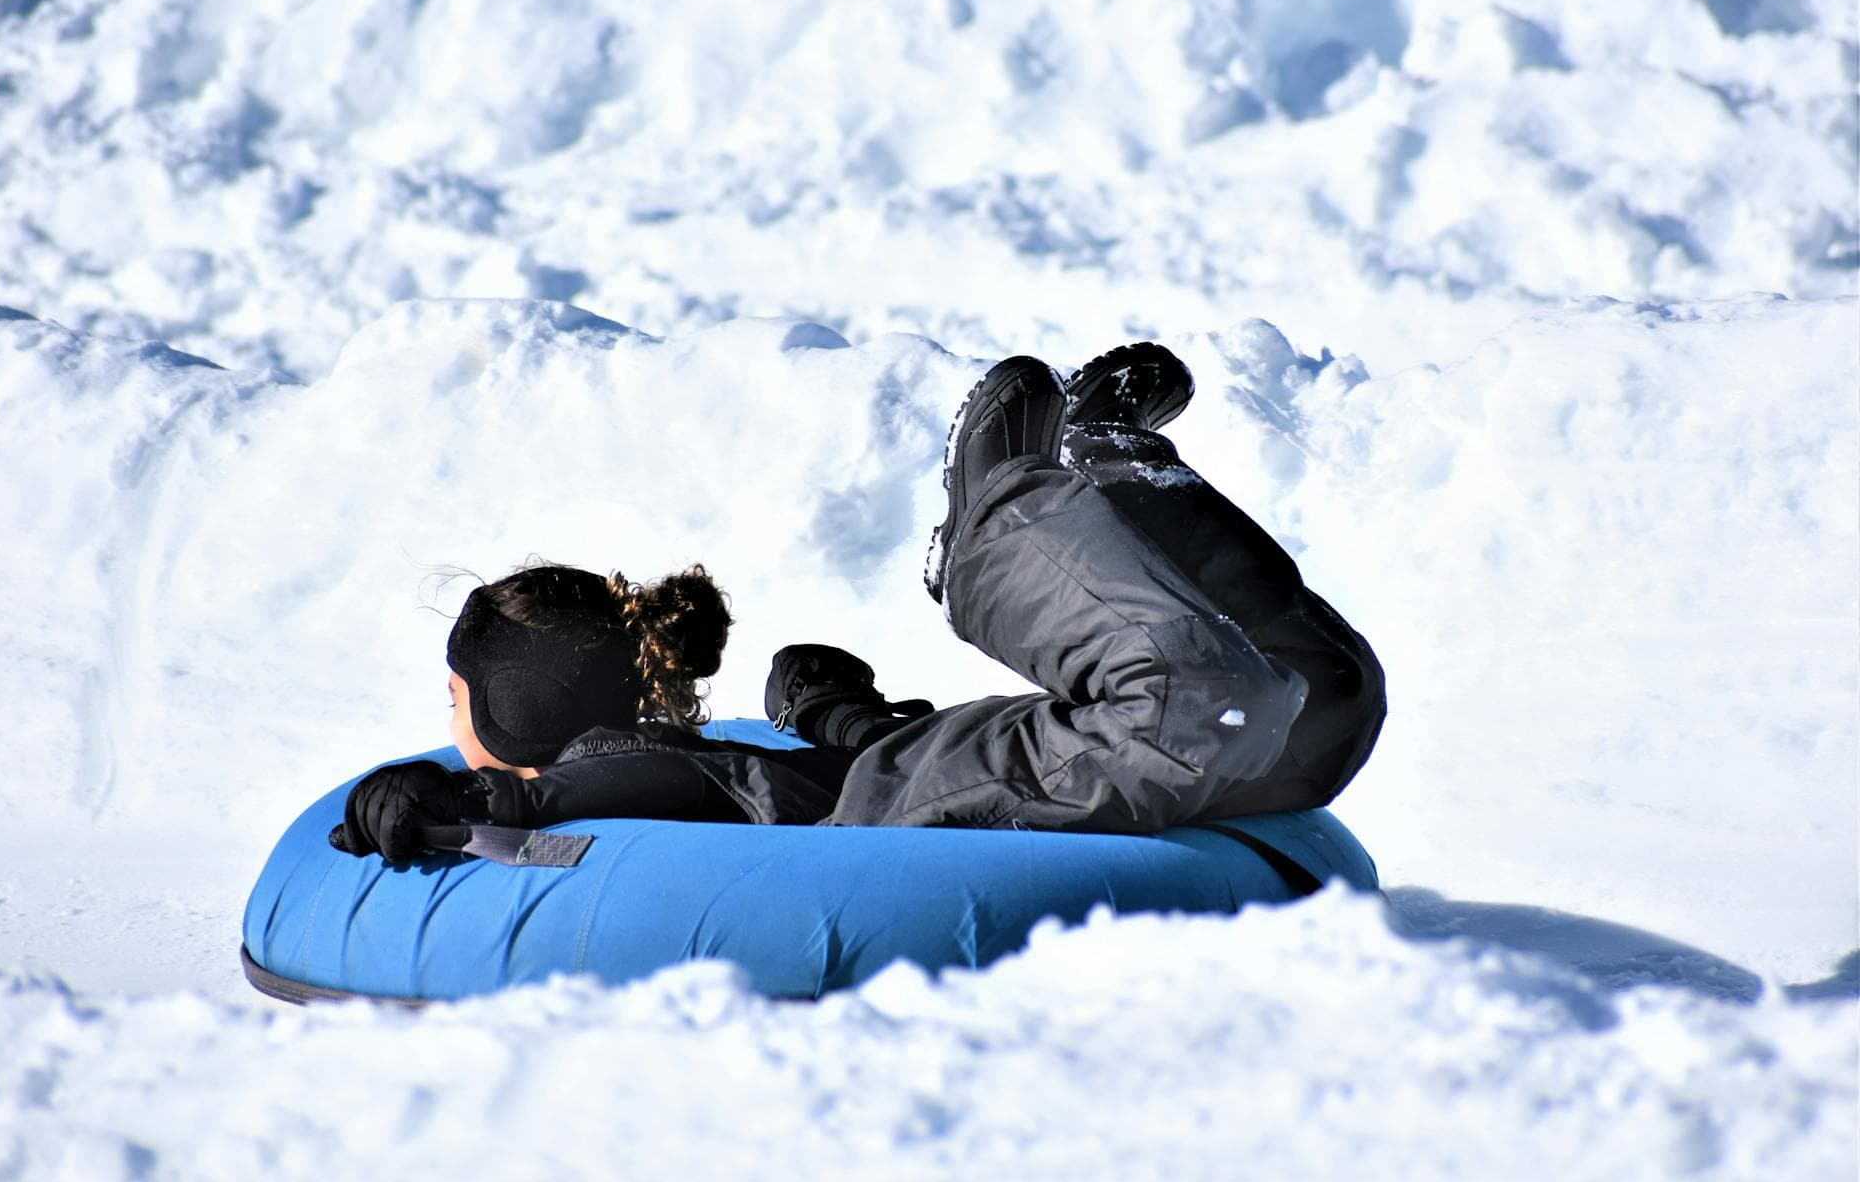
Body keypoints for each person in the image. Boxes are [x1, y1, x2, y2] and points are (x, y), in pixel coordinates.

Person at [331, 344, 1386, 863]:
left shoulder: (605, 773)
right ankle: (1110, 469)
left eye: (457, 692)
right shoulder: (643, 773)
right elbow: (574, 824)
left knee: (1210, 702)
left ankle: (996, 536)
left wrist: (442, 808)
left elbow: (541, 821)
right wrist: (834, 710)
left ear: (517, 703)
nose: (448, 721)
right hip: (932, 778)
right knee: (1323, 694)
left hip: (922, 787)